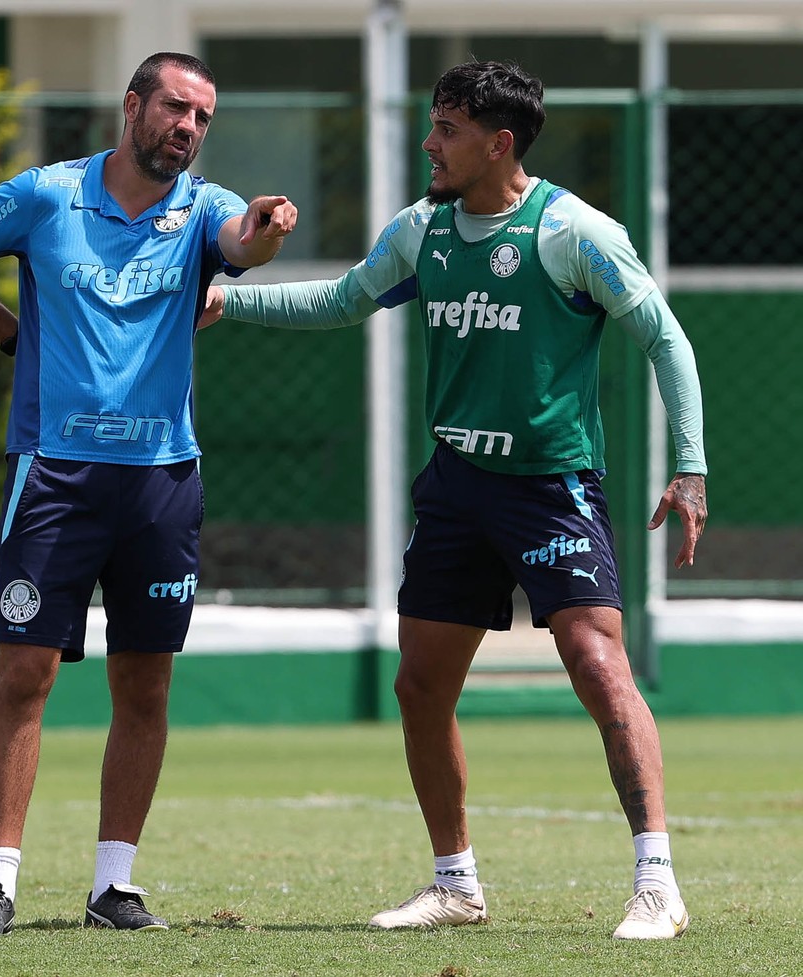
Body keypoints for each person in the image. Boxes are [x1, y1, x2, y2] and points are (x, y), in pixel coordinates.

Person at [201, 58, 706, 940]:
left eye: (447, 129)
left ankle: (658, 881)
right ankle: (455, 884)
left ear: (496, 142)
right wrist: (226, 302)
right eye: (432, 124)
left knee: (597, 667)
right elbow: (342, 299)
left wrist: (690, 465)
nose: (429, 143)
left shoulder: (574, 232)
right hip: (457, 490)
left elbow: (667, 341)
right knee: (422, 683)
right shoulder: (422, 230)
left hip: (551, 489)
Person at [0, 51, 297, 937]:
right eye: (174, 108)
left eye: (202, 117)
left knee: (146, 683)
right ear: (132, 106)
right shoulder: (46, 195)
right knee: (25, 672)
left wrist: (268, 227)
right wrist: (11, 335)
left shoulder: (204, 207)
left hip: (163, 478)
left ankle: (113, 886)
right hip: (54, 474)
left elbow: (245, 241)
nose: (187, 127)